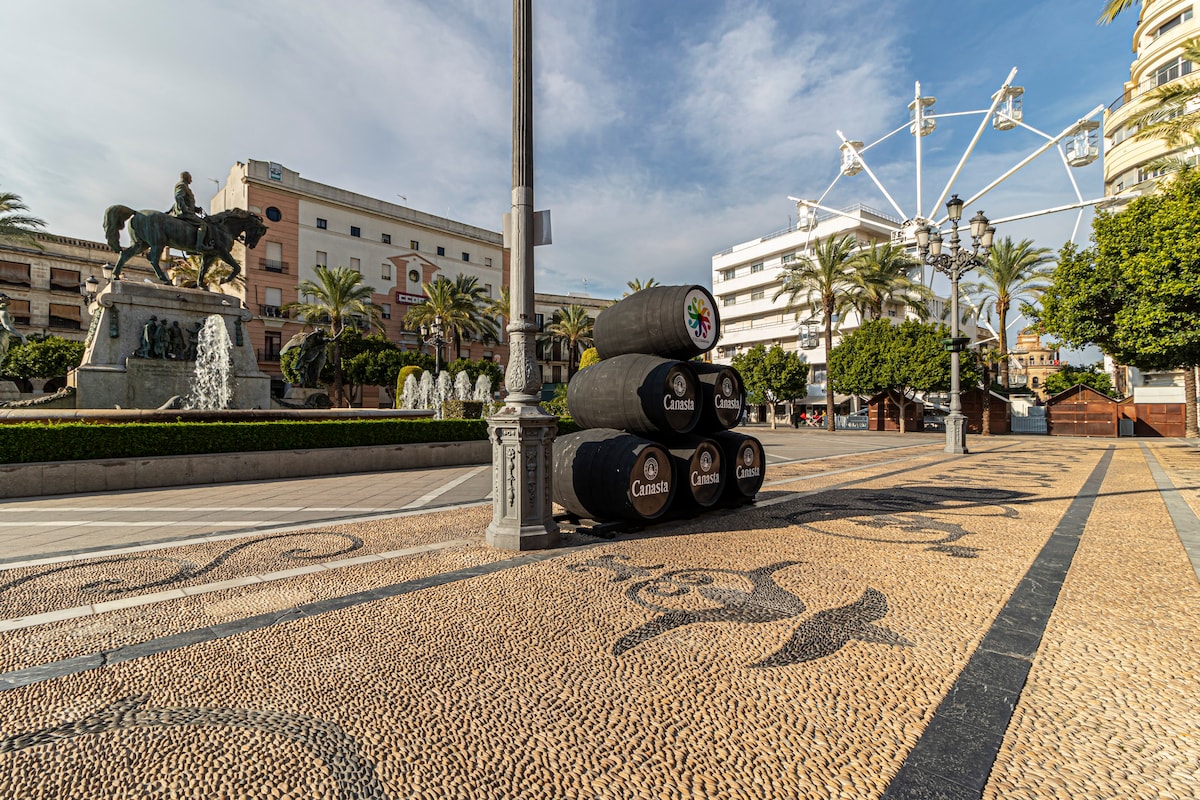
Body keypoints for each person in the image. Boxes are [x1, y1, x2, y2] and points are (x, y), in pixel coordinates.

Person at [171, 171, 208, 252]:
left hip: (188, 211)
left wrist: (196, 209)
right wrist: (184, 209)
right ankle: (199, 245)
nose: (191, 179)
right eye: (190, 177)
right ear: (187, 177)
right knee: (203, 224)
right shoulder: (182, 185)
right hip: (184, 213)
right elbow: (178, 197)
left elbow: (188, 202)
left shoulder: (186, 187)